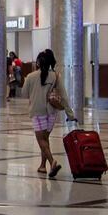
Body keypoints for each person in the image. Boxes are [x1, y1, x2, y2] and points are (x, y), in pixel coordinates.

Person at [21, 50, 76, 178]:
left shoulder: (31, 76)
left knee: (41, 140)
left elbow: (24, 94)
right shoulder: (55, 76)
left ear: (38, 62)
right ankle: (42, 166)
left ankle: (52, 162)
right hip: (51, 112)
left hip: (37, 111)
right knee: (45, 140)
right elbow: (64, 96)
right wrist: (70, 114)